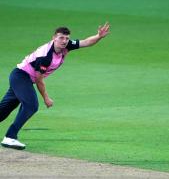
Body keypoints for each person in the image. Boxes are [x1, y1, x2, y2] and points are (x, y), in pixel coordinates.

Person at [0, 22, 110, 150]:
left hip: (23, 79)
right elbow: (39, 79)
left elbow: (85, 42)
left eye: (66, 38)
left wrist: (99, 36)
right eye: (61, 38)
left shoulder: (66, 45)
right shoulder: (45, 56)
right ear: (54, 38)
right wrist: (46, 98)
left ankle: (10, 136)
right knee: (31, 105)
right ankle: (10, 137)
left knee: (4, 110)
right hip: (21, 76)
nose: (64, 41)